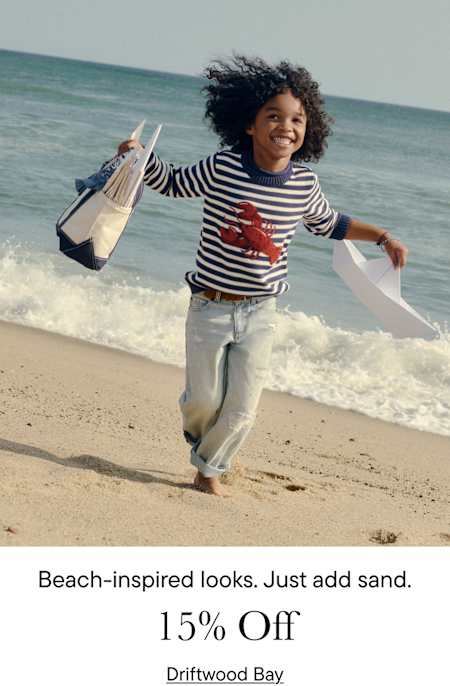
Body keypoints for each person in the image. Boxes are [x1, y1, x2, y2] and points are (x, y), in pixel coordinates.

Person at [119, 56, 408, 496]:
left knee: (241, 410)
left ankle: (208, 470)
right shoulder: (223, 167)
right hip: (210, 305)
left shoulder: (304, 184)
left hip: (260, 313)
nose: (286, 126)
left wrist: (383, 236)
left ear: (308, 129)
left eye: (297, 118)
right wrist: (141, 158)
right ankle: (203, 444)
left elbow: (330, 223)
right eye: (273, 115)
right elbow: (176, 183)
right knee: (203, 402)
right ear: (250, 125)